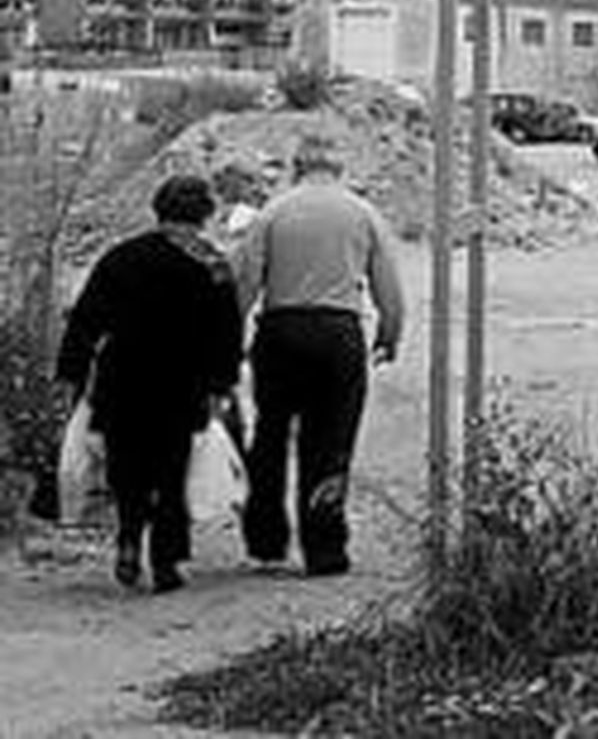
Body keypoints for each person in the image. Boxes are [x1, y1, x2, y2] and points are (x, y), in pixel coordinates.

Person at [55, 174, 244, 594]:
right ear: (204, 214)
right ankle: (165, 560)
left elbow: (86, 319)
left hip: (122, 378)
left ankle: (127, 537)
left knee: (127, 467)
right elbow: (226, 332)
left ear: (158, 209)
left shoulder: (122, 257)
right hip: (182, 383)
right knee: (172, 470)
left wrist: (71, 373)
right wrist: (223, 384)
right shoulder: (211, 264)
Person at [231, 134, 404, 577]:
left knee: (269, 437)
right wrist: (389, 333)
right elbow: (389, 286)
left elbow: (246, 282)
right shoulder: (363, 214)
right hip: (338, 335)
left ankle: (267, 540)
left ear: (297, 167)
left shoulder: (273, 212)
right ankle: (324, 548)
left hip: (281, 332)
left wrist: (230, 339)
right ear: (339, 168)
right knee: (330, 443)